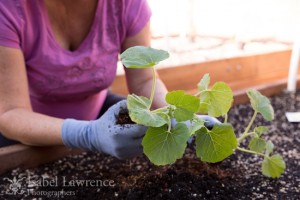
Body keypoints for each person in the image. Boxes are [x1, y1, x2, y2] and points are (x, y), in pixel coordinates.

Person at [0, 0, 218, 159]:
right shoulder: (8, 10)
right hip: (24, 132)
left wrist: (178, 116)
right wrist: (88, 134)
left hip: (98, 112)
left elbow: (144, 81)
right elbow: (10, 113)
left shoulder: (126, 4)